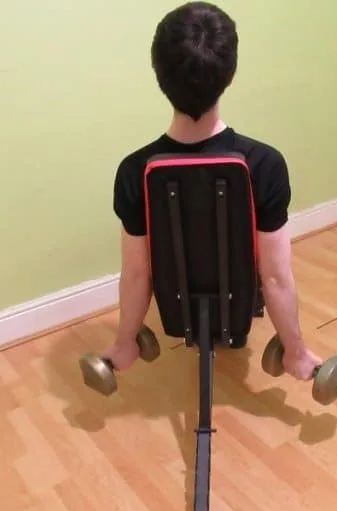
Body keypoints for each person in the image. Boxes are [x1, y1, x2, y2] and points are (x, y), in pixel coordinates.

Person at [104, 1, 322, 380]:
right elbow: (275, 277)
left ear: (158, 74)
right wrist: (296, 352)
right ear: (230, 75)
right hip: (239, 305)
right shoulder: (265, 164)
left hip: (175, 311)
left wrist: (125, 343)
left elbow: (137, 275)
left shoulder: (133, 171)